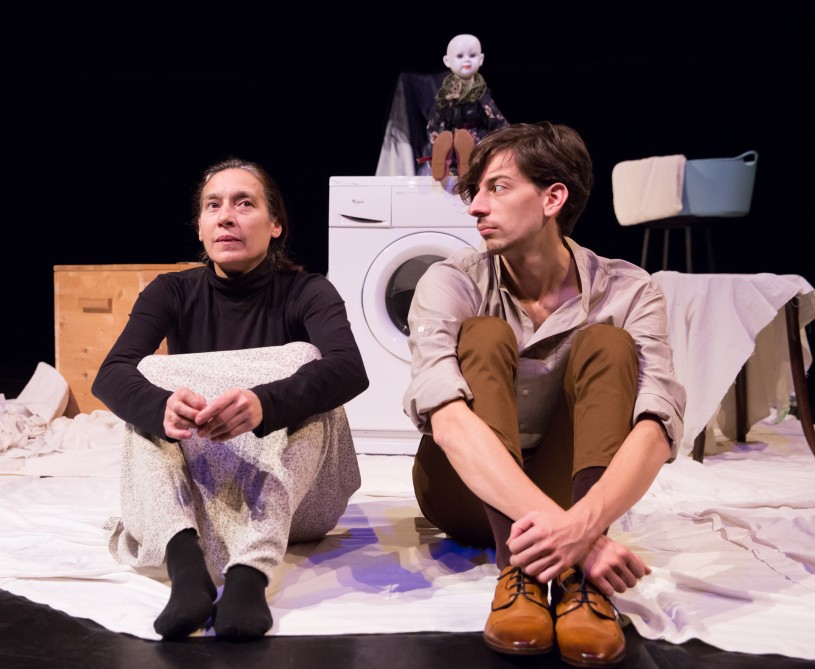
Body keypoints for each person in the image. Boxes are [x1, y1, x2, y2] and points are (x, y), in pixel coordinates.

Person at [403, 122, 685, 666]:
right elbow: (446, 418)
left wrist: (583, 520)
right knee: (484, 335)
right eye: (475, 191)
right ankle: (524, 572)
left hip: (568, 489)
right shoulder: (452, 280)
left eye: (497, 188)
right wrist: (587, 540)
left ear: (553, 198)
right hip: (463, 491)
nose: (475, 207)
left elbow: (658, 424)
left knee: (609, 344)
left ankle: (580, 585)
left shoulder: (629, 289)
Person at [93, 157, 368, 640]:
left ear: (276, 224)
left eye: (244, 204)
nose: (226, 217)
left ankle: (250, 572)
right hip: (200, 498)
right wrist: (162, 409)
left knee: (307, 360)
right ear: (200, 228)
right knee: (148, 382)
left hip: (295, 502)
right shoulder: (171, 290)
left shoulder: (308, 291)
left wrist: (265, 404)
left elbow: (349, 368)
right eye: (213, 206)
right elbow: (111, 374)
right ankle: (185, 565)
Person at [425, 33, 508, 181]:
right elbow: (437, 116)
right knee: (445, 139)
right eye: (460, 56)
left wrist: (504, 133)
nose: (467, 60)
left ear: (481, 59)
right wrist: (437, 135)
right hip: (451, 136)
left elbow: (492, 114)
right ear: (447, 61)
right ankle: (444, 161)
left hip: (475, 137)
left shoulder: (480, 91)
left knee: (472, 141)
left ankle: (467, 164)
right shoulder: (446, 92)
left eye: (472, 55)